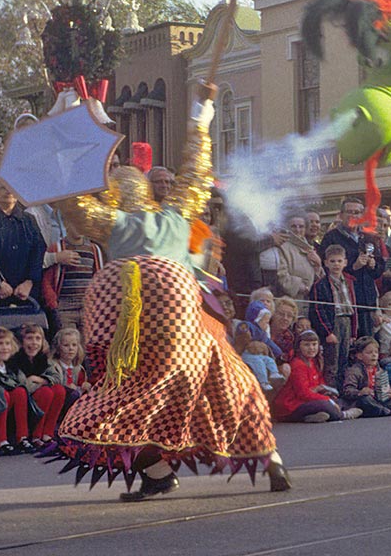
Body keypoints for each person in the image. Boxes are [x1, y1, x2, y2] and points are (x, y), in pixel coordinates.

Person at [49, 84, 290, 500]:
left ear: (113, 199)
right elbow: (196, 172)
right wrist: (202, 113)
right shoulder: (179, 213)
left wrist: (64, 141)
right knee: (226, 384)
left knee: (121, 399)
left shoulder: (115, 223)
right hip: (190, 315)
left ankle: (157, 470)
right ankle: (271, 460)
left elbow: (74, 207)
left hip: (139, 314)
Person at [0, 181, 46, 313]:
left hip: (26, 292)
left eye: (12, 188)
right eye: (3, 188)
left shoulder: (29, 220)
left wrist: (29, 282)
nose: (8, 191)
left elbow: (39, 250)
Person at [317, 197, 383, 337]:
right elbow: (326, 267)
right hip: (344, 304)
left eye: (357, 212)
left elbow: (379, 270)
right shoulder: (331, 237)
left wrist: (373, 265)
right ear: (341, 215)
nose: (353, 215)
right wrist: (354, 266)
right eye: (349, 212)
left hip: (367, 302)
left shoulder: (369, 237)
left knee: (369, 345)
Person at [272, 330, 359, 423]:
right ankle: (342, 415)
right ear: (299, 347)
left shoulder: (314, 362)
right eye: (307, 345)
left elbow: (319, 384)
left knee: (339, 401)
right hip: (291, 406)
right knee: (325, 404)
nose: (311, 348)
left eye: (314, 344)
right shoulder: (297, 364)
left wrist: (326, 393)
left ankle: (311, 417)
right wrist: (327, 399)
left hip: (308, 400)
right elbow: (303, 393)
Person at [39, 220, 104, 334]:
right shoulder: (58, 248)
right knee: (67, 341)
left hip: (87, 306)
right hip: (65, 305)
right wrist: (53, 303)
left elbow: (99, 278)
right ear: (67, 224)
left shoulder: (93, 249)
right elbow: (47, 280)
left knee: (86, 344)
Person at [6, 323, 66, 445]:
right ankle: (29, 436)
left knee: (58, 390)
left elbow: (57, 377)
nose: (34, 343)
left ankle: (46, 434)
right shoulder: (14, 361)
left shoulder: (44, 359)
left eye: (38, 338)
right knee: (44, 391)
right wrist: (37, 384)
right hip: (21, 402)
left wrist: (40, 380)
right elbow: (20, 385)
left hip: (39, 399)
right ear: (21, 342)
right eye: (29, 338)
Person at [307, 244, 356, 388]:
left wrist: (353, 331)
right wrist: (327, 332)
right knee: (331, 362)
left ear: (345, 262)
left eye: (339, 261)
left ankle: (342, 391)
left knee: (344, 359)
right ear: (326, 262)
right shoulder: (320, 284)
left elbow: (354, 308)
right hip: (332, 323)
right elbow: (317, 309)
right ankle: (331, 391)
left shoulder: (349, 282)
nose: (336, 264)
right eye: (333, 261)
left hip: (346, 320)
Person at [0, 326, 32, 454]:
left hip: (8, 404)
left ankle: (22, 437)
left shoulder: (10, 367)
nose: (5, 347)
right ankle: (0, 441)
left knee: (20, 392)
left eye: (7, 343)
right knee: (1, 393)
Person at [341, 336, 391, 417]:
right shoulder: (355, 370)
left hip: (378, 400)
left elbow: (387, 386)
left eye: (376, 352)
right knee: (366, 400)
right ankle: (383, 410)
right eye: (369, 353)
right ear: (359, 356)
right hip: (363, 400)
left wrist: (390, 393)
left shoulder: (380, 370)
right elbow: (347, 390)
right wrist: (360, 392)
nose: (374, 355)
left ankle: (382, 410)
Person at [275, 213, 322, 302]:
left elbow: (319, 278)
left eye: (301, 226)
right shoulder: (282, 247)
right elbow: (281, 275)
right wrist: (300, 286)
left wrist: (318, 265)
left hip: (310, 301)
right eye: (293, 226)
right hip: (290, 301)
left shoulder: (309, 248)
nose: (297, 230)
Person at [50, 327, 90, 406]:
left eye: (74, 345)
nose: (71, 348)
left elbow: (80, 385)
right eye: (66, 345)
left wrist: (84, 386)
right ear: (58, 348)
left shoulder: (78, 369)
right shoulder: (53, 366)